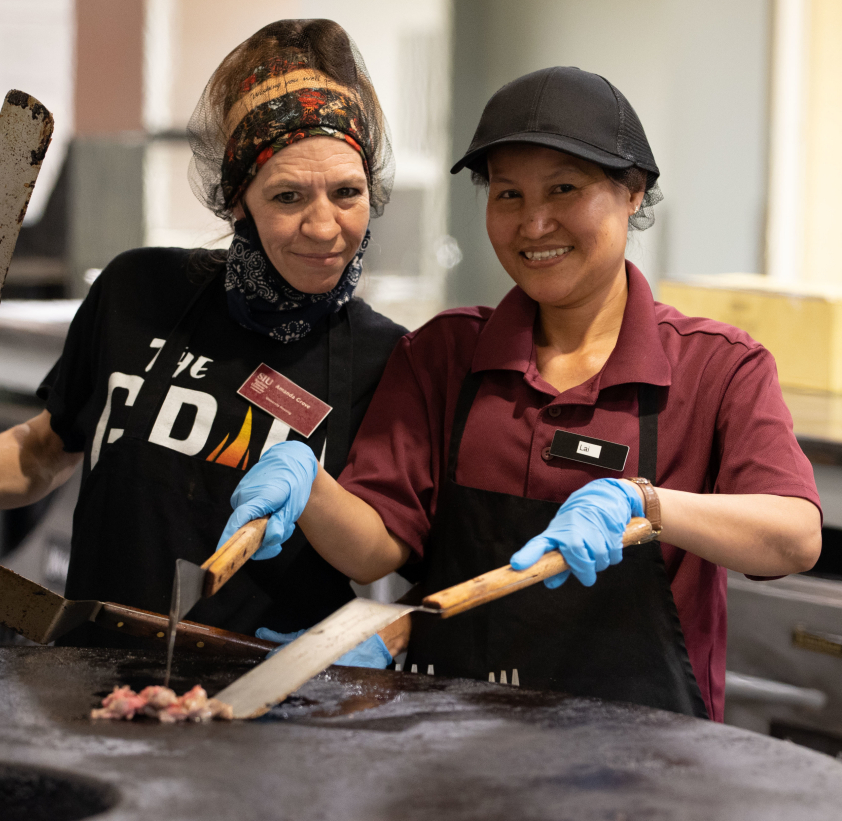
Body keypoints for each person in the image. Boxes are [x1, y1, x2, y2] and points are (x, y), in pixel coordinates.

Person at [219, 66, 823, 719]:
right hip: (449, 748)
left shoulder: (718, 366)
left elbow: (794, 536)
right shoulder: (445, 354)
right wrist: (308, 484)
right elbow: (377, 547)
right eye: (507, 195)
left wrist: (644, 502)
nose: (534, 224)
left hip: (645, 769)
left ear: (633, 194)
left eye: (563, 189)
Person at [0, 19, 406, 655]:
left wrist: (313, 492)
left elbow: (380, 550)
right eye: (287, 196)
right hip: (89, 663)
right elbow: (50, 447)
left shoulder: (385, 356)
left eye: (347, 192)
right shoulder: (137, 290)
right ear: (239, 201)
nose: (324, 226)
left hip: (261, 693)